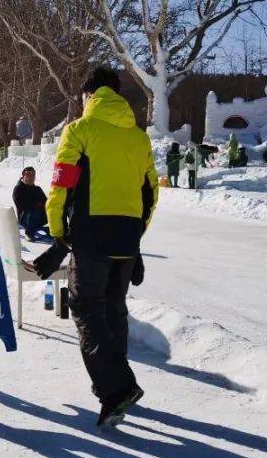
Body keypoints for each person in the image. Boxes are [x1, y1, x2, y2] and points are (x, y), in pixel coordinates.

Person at [33, 67, 158, 427]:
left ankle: (117, 388)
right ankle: (115, 385)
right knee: (114, 310)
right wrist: (137, 234)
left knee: (86, 309)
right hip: (127, 236)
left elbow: (61, 184)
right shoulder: (139, 138)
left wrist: (58, 231)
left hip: (91, 234)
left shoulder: (80, 131)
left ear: (89, 94)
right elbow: (151, 192)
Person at [13, 166, 49, 241]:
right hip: (25, 218)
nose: (31, 177)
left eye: (33, 175)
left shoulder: (37, 189)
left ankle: (59, 232)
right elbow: (21, 205)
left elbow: (46, 202)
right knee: (34, 210)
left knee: (54, 209)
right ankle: (29, 233)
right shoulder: (18, 189)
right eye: (28, 175)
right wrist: (37, 204)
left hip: (39, 216)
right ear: (23, 176)